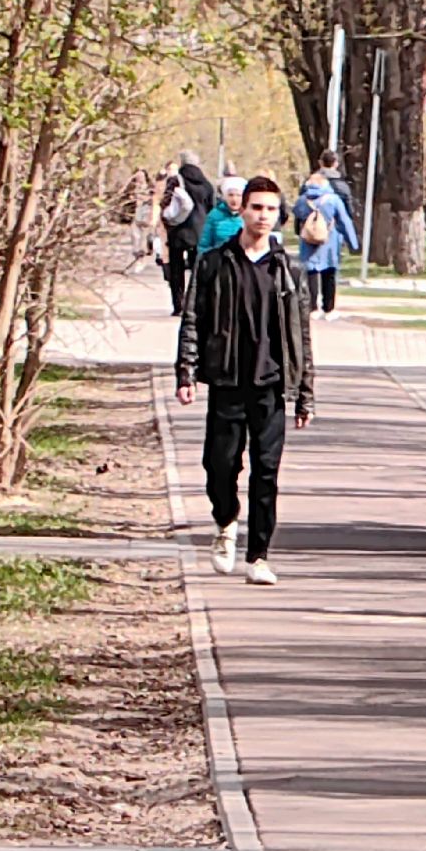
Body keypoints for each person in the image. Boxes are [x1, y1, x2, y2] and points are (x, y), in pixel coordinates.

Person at [175, 176, 315, 586]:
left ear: (279, 215)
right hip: (227, 380)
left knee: (266, 472)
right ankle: (225, 521)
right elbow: (193, 318)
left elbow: (300, 335)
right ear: (243, 211)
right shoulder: (216, 262)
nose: (263, 216)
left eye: (271, 209)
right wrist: (187, 369)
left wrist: (305, 394)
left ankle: (259, 556)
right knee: (220, 466)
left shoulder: (288, 269)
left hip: (271, 385)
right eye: (257, 207)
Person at [292, 172, 360, 320]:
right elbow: (344, 221)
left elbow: (296, 214)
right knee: (329, 273)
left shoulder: (302, 200)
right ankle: (328, 308)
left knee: (311, 272)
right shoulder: (333, 200)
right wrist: (352, 242)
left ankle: (313, 307)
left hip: (308, 242)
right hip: (329, 241)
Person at [164, 150, 216, 316]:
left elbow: (166, 202)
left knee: (176, 269)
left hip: (177, 231)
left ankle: (178, 305)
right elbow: (211, 207)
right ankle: (195, 304)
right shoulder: (207, 184)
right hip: (199, 230)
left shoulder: (175, 181)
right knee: (197, 269)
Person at [197, 175, 247, 257]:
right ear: (225, 196)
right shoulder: (214, 215)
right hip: (219, 262)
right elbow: (204, 244)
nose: (234, 199)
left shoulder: (248, 215)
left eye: (238, 195)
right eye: (231, 195)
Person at [317, 149, 355, 224]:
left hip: (312, 229)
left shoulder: (310, 183)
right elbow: (349, 212)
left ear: (320, 163)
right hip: (334, 228)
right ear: (336, 164)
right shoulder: (342, 186)